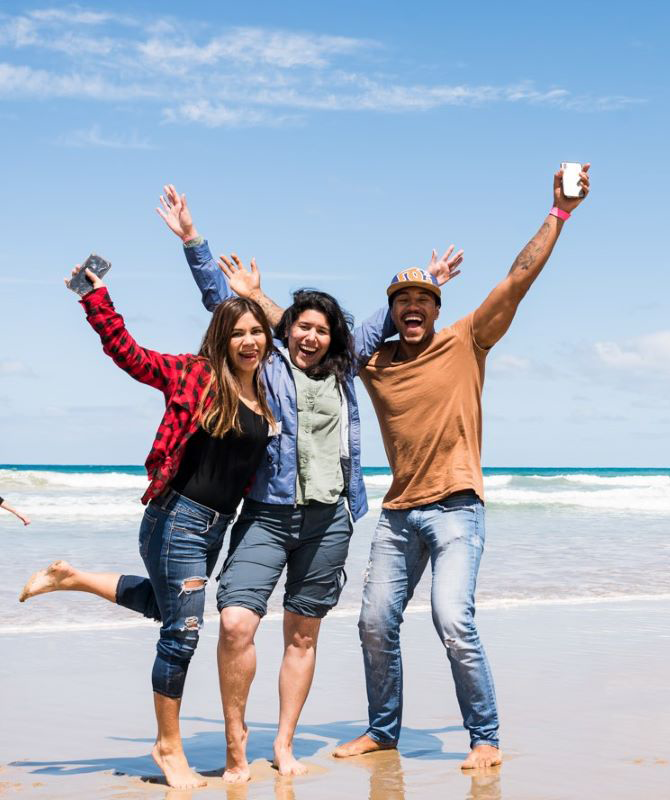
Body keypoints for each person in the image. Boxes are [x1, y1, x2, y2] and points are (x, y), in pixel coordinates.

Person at [155, 186, 461, 780]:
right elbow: (223, 305)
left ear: (332, 337)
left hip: (329, 521)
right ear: (287, 331)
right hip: (267, 517)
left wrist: (432, 279)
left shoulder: (346, 368)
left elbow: (390, 314)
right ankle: (237, 743)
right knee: (238, 623)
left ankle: (285, 744)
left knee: (302, 635)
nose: (311, 337)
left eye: (321, 329)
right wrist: (194, 241)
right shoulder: (265, 365)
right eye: (301, 328)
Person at [333, 164, 591, 770]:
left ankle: (485, 739)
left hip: (456, 510)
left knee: (453, 622)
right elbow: (306, 336)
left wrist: (558, 213)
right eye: (403, 301)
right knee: (374, 623)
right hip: (398, 516)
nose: (414, 307)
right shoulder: (373, 364)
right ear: (392, 311)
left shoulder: (467, 340)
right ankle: (383, 730)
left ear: (437, 307)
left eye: (424, 299)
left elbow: (517, 279)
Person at [20, 263, 275, 790]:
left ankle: (70, 577)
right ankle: (168, 747)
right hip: (176, 518)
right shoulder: (195, 374)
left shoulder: (266, 393)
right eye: (237, 333)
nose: (248, 341)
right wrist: (96, 297)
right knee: (182, 635)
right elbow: (128, 354)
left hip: (214, 528)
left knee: (168, 610)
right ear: (221, 339)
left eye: (256, 332)